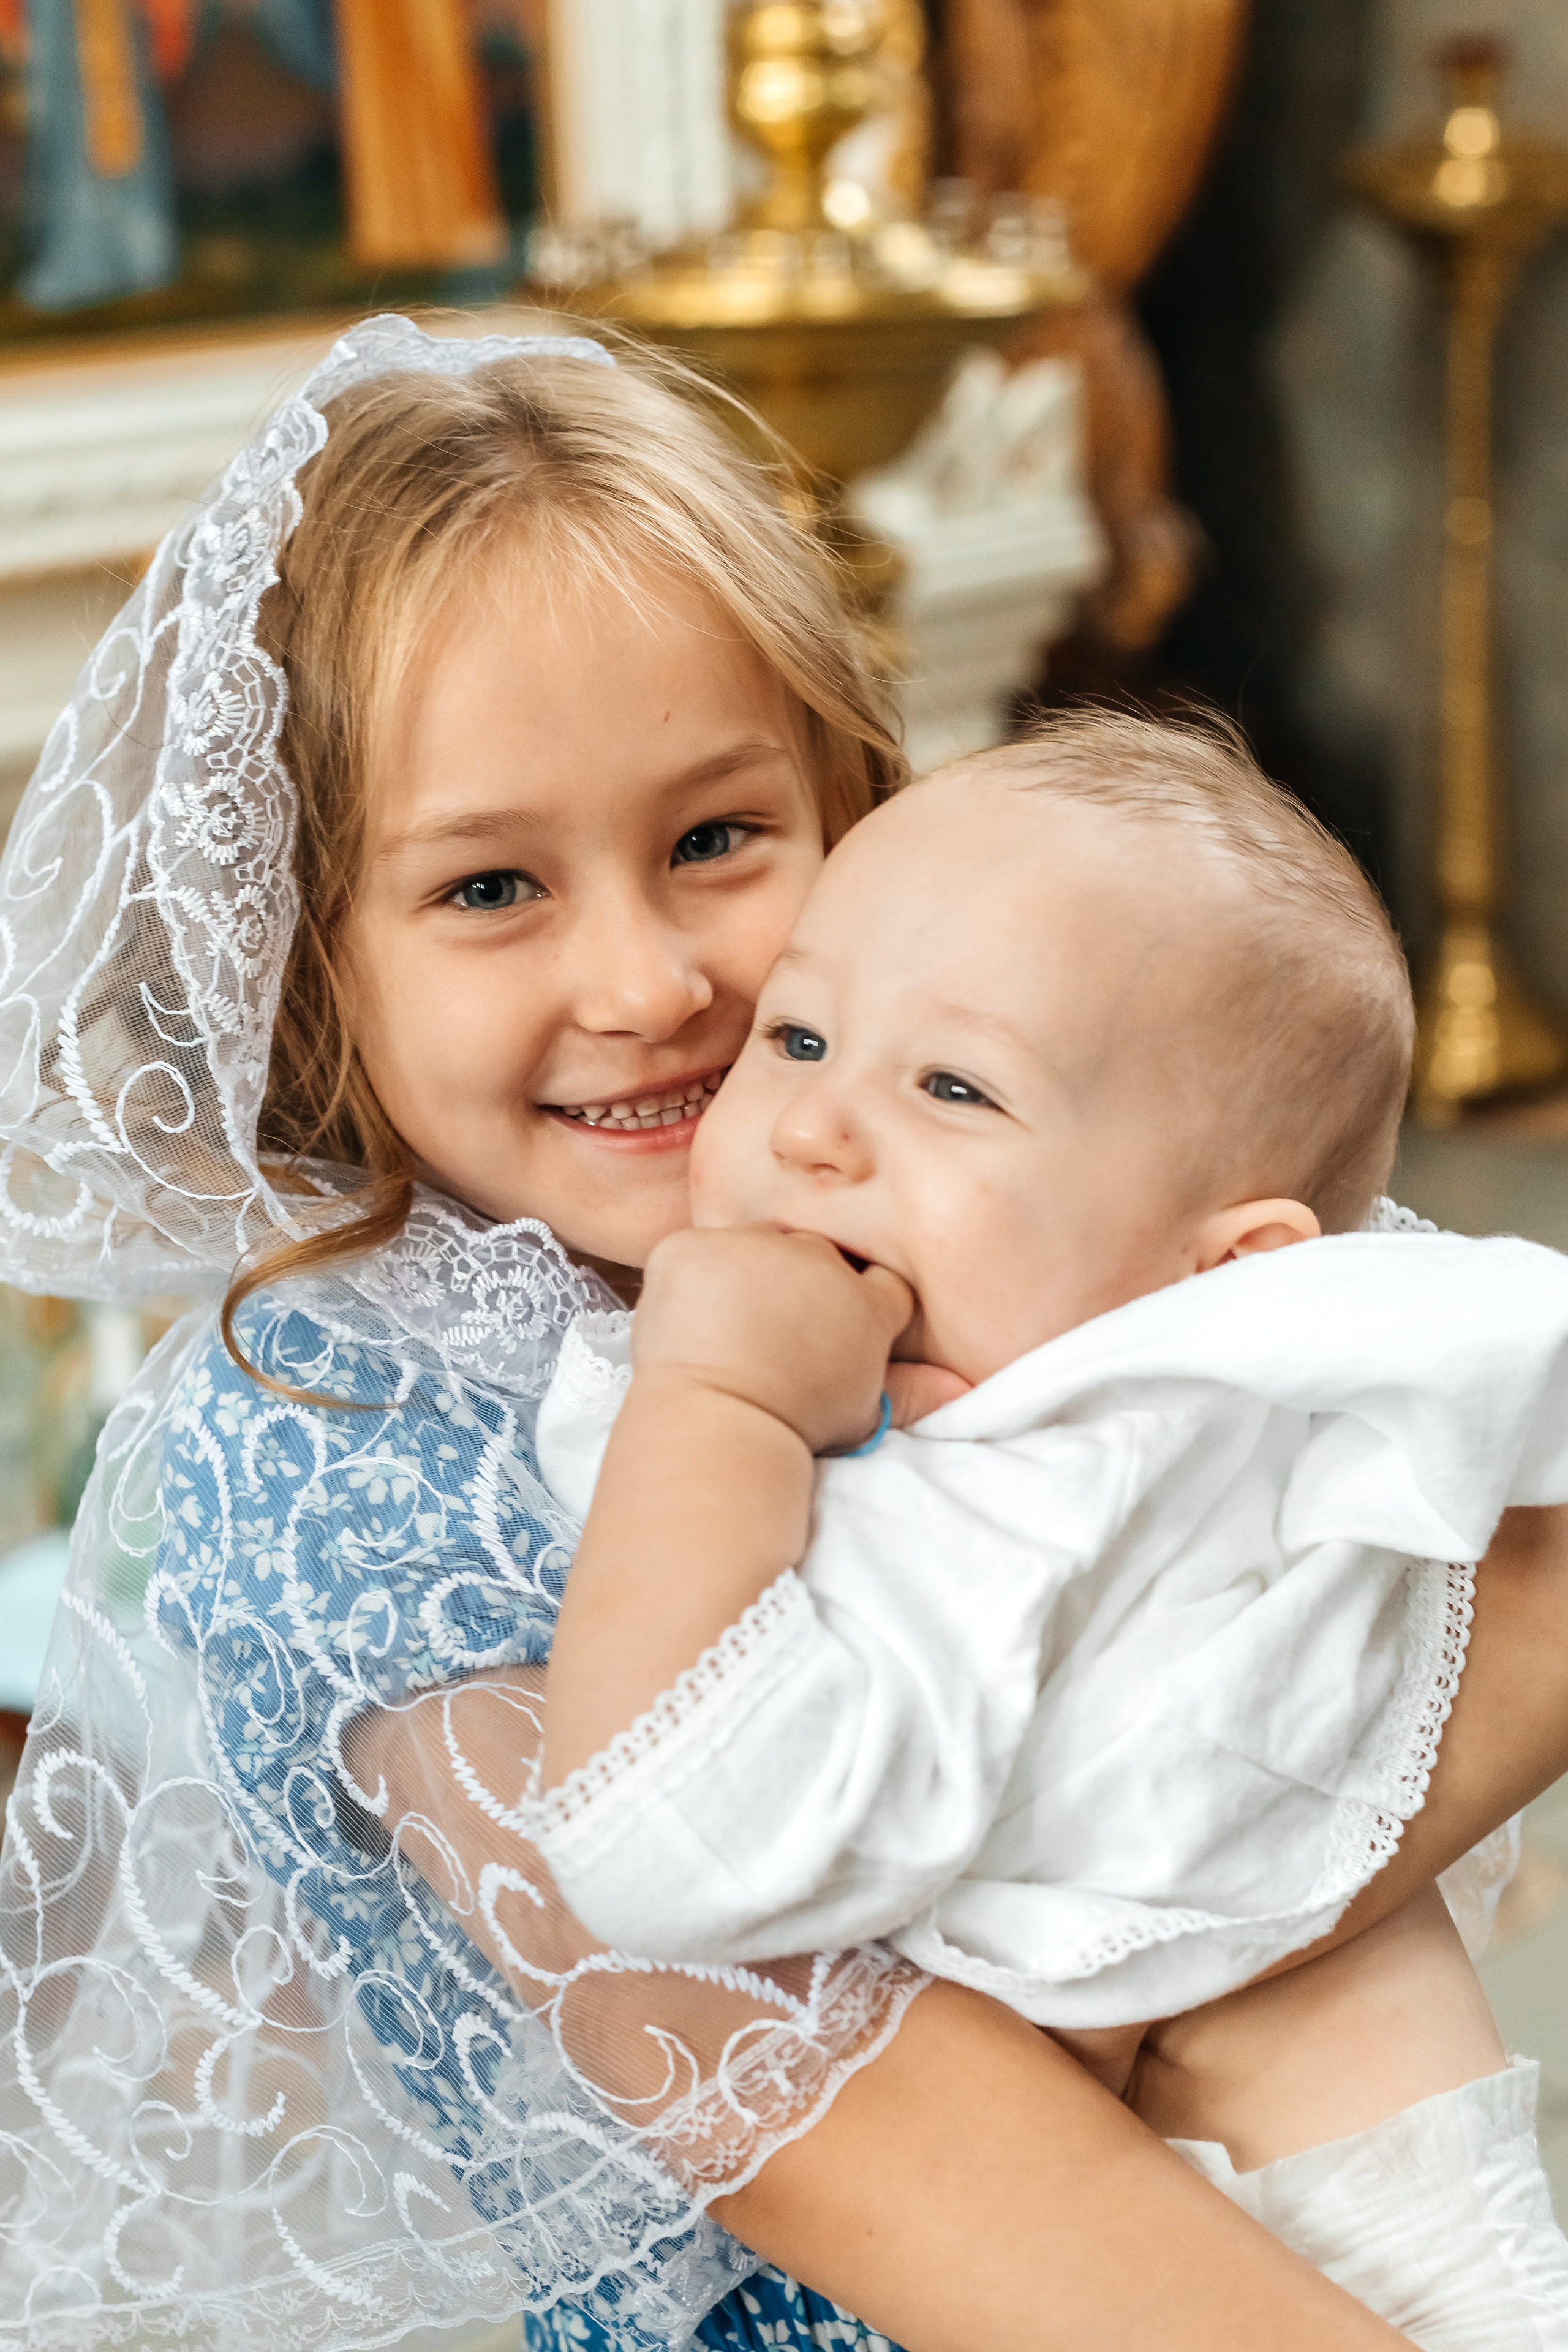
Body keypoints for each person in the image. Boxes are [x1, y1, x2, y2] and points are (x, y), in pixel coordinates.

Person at [0, 310, 1558, 2352]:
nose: (649, 984)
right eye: (488, 889)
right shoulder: (342, 1477)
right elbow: (983, 2197)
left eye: (719, 841)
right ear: (309, 952)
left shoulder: (993, 1178)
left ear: (851, 800)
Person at [527, 714, 1568, 2342]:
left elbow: (668, 1840)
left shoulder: (1041, 1484)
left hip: (1352, 2253)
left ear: (1227, 1285)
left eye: (955, 1086)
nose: (812, 1128)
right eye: (797, 1038)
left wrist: (715, 1406)